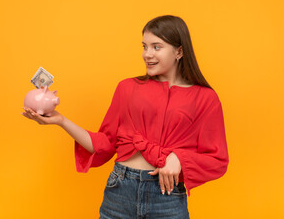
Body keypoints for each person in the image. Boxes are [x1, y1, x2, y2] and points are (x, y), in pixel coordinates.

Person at [21, 15, 229, 219]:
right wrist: (61, 120)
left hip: (167, 198)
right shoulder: (127, 88)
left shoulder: (205, 98)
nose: (147, 54)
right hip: (119, 192)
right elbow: (104, 143)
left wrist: (180, 159)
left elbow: (217, 160)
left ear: (179, 51)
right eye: (144, 46)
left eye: (156, 47)